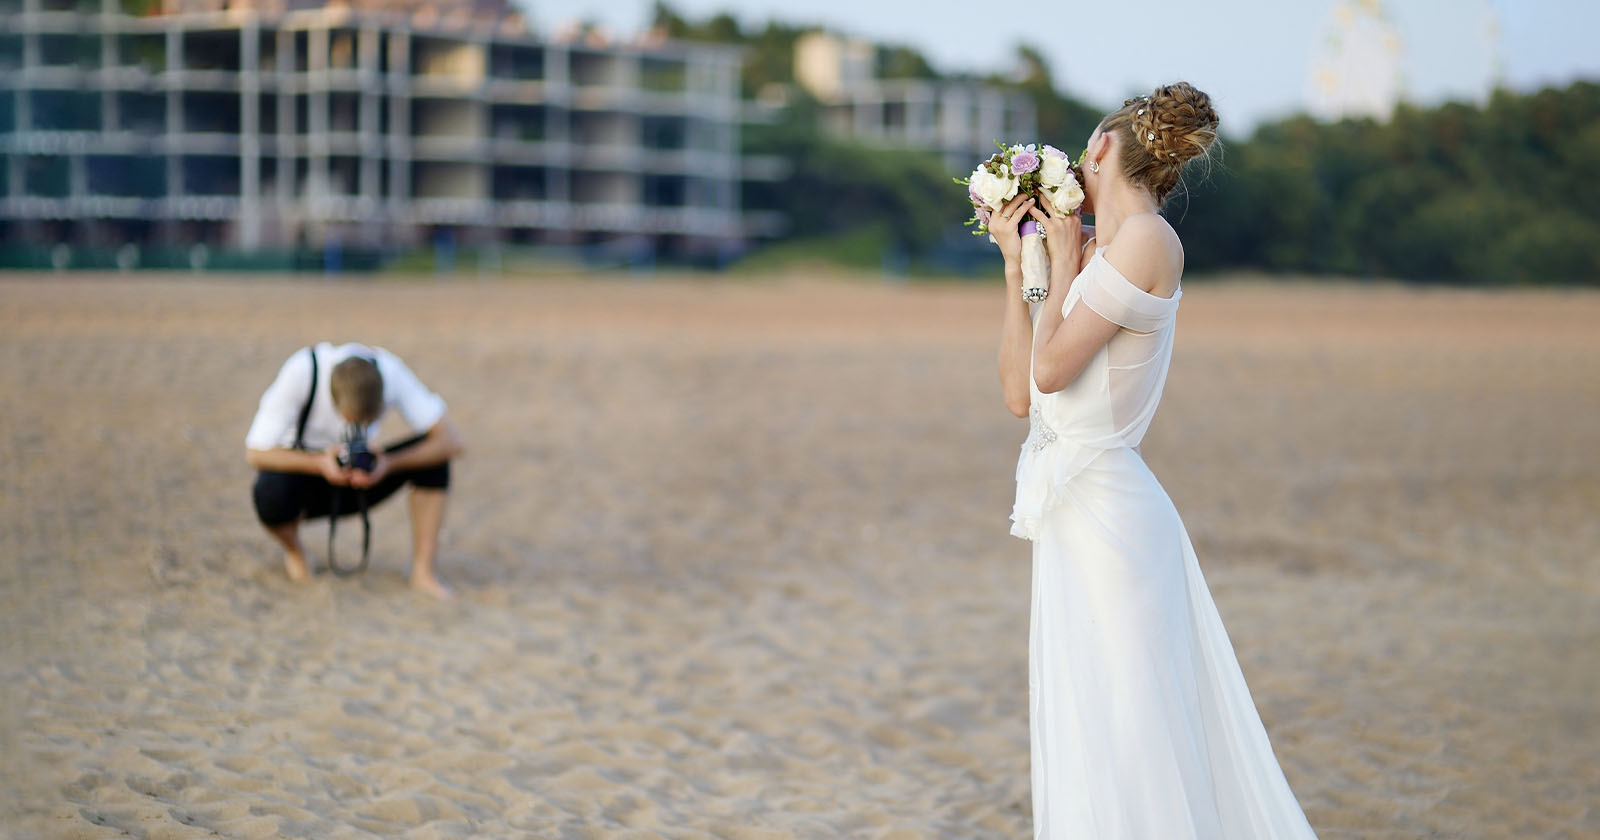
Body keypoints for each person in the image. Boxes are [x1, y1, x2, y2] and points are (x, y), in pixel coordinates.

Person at [987, 83, 1319, 838]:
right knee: (1087, 712)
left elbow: (1052, 371)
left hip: (1111, 514)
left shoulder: (1144, 242)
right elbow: (1019, 395)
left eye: (1083, 148)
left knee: (1132, 719)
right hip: (1073, 512)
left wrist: (1063, 260)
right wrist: (1019, 269)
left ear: (1102, 150)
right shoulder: (1102, 250)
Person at [245, 342, 464, 599]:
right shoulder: (303, 370)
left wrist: (388, 462)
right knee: (269, 489)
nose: (359, 427)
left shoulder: (392, 372)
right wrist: (319, 462)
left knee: (433, 459)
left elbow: (452, 442)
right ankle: (295, 552)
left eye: (367, 422)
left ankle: (423, 572)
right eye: (352, 420)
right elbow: (255, 452)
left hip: (367, 479)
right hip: (308, 478)